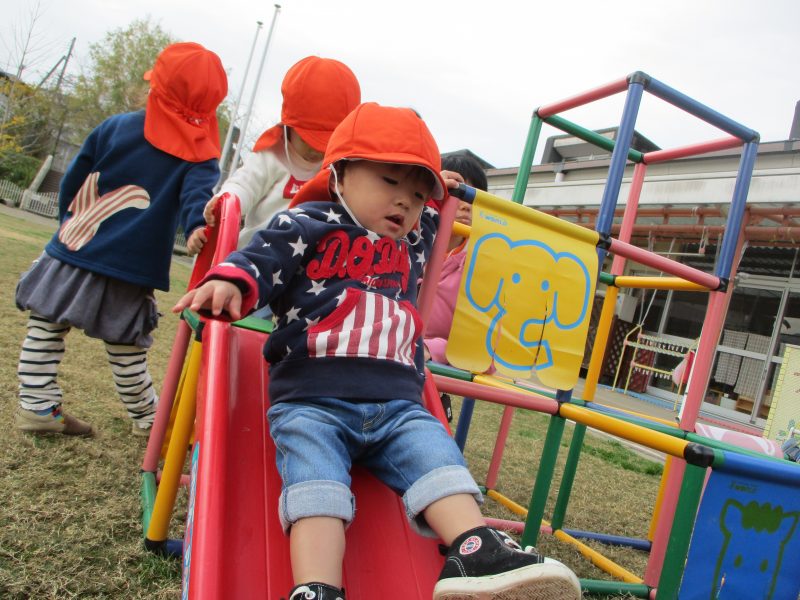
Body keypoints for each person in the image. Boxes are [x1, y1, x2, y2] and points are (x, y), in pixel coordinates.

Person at [173, 102, 581, 600]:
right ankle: (317, 588)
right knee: (315, 484)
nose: (404, 203)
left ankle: (478, 550)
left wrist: (443, 191)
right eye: (389, 182)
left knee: (438, 460)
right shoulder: (307, 223)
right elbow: (261, 257)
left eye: (414, 194)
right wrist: (231, 283)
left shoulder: (412, 240)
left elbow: (443, 212)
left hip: (399, 404)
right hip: (312, 399)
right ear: (340, 173)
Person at [14, 42, 228, 437]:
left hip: (77, 244)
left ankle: (36, 403)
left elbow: (74, 182)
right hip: (131, 265)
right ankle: (148, 421)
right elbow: (199, 201)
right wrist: (199, 227)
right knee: (127, 350)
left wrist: (68, 226)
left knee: (45, 327)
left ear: (156, 89)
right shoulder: (200, 154)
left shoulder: (116, 127)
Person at [200, 55, 361, 251]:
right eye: (306, 139)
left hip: (306, 266)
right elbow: (244, 184)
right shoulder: (272, 157)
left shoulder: (338, 170)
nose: (315, 149)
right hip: (256, 256)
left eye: (325, 143)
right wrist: (226, 200)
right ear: (288, 127)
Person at [423, 153, 488, 365]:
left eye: (473, 198)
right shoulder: (405, 241)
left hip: (428, 369)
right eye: (456, 194)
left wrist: (431, 349)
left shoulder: (480, 267)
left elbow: (483, 347)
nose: (466, 205)